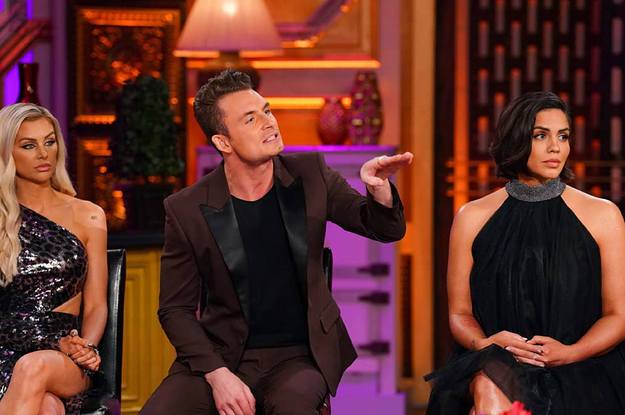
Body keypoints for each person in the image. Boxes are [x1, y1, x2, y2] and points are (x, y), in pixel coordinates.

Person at [140, 68, 412, 415]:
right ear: (223, 142)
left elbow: (383, 229)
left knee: (291, 408)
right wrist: (218, 375)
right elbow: (175, 310)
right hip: (221, 355)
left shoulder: (310, 174)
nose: (269, 122)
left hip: (300, 356)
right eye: (251, 119)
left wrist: (379, 190)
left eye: (266, 111)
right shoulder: (186, 208)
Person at [425, 92, 625, 414]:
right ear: (516, 140)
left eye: (563, 136)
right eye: (541, 136)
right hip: (497, 362)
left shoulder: (603, 215)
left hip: (582, 367)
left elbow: (618, 316)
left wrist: (571, 352)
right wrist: (487, 345)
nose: (556, 147)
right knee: (487, 383)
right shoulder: (472, 217)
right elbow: (460, 314)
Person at [0, 103, 108, 415]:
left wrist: (86, 347)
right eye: (28, 145)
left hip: (64, 356)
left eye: (49, 142)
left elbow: (96, 304)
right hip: (5, 347)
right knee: (47, 408)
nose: (43, 153)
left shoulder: (88, 215)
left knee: (34, 366)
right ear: (7, 153)